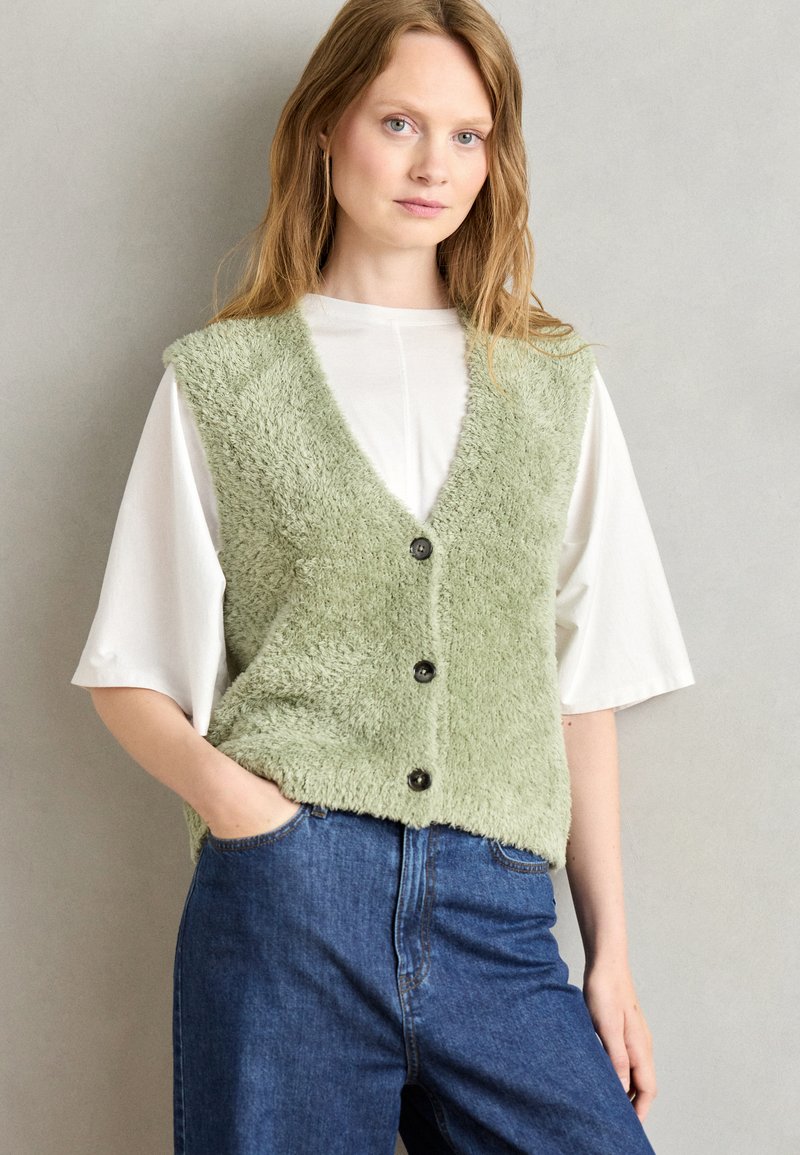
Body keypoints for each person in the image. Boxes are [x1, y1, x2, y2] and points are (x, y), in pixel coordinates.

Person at [71, 1, 694, 1151]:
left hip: (499, 912)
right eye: (398, 122)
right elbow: (129, 677)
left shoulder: (550, 382)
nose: (432, 165)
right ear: (324, 127)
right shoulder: (221, 380)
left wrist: (609, 956)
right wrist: (254, 820)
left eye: (468, 135)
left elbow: (583, 687)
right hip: (288, 908)